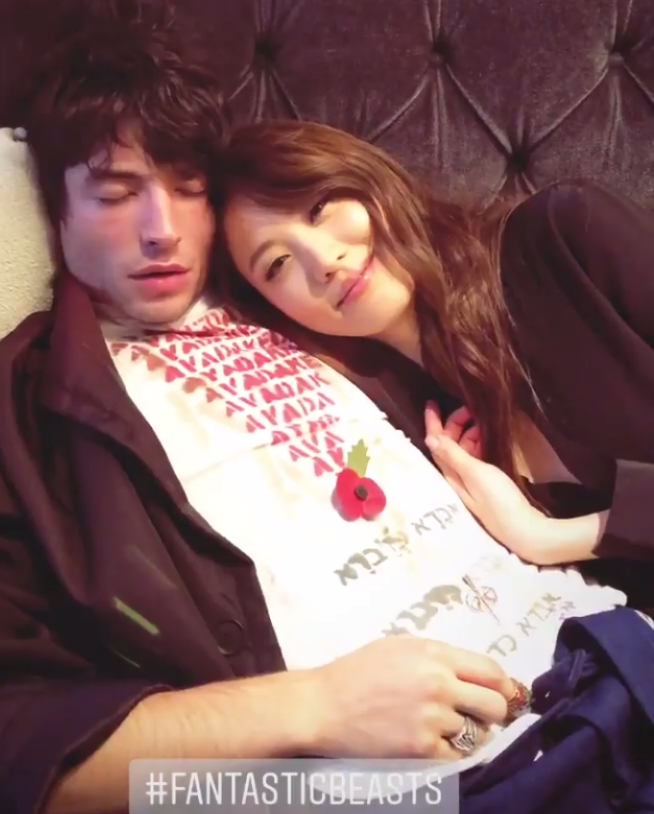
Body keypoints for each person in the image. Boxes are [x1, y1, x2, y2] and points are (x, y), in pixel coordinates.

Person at [0, 0, 653, 814]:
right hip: (457, 812)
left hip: (620, 653)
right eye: (113, 193)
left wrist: (559, 530)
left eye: (188, 187)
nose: (161, 230)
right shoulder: (24, 408)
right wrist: (306, 710)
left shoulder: (321, 316)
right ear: (54, 209)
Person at [218, 118, 654, 579]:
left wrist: (549, 538)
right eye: (278, 264)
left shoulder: (564, 235)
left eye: (319, 207)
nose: (324, 260)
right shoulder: (405, 438)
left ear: (365, 179)